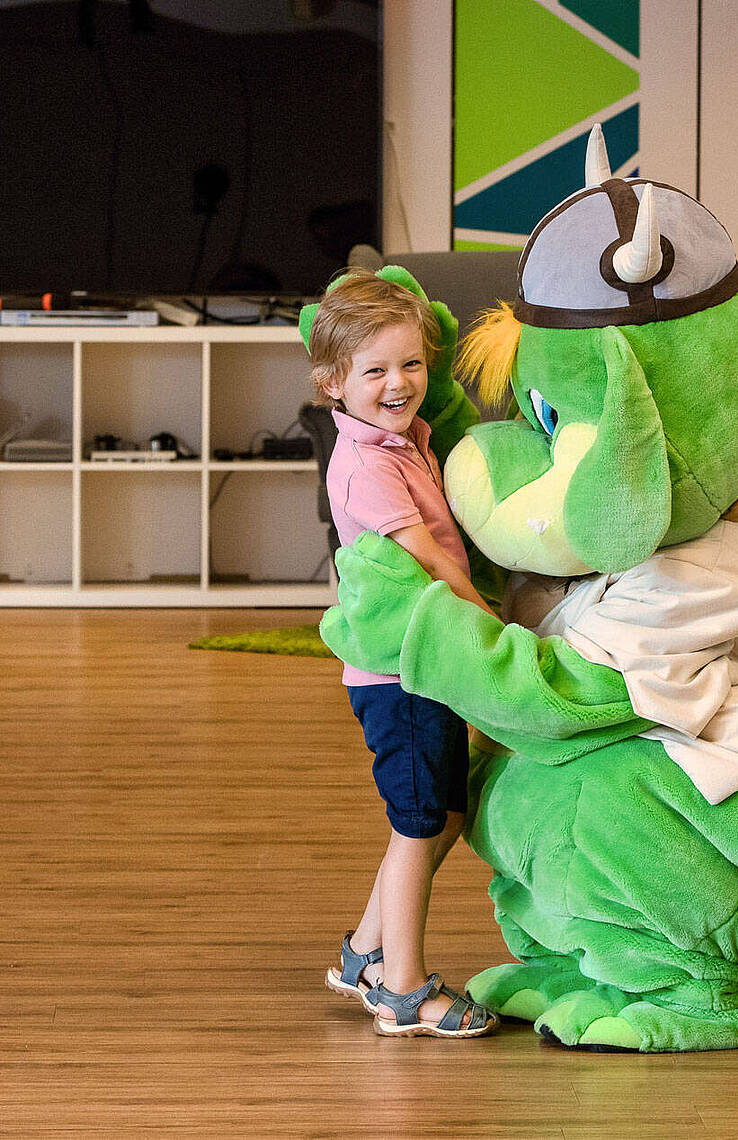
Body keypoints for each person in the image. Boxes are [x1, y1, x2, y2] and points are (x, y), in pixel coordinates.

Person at [304, 269, 499, 1038]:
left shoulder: (403, 442)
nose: (399, 383)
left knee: (441, 814)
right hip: (400, 673)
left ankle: (365, 952)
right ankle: (402, 989)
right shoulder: (366, 464)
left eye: (411, 364)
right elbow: (429, 559)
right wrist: (494, 622)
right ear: (333, 383)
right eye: (376, 370)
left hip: (427, 663)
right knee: (421, 822)